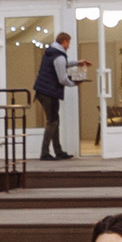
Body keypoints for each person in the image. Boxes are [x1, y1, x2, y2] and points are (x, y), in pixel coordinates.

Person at [33, 30, 74, 161]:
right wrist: (74, 83)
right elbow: (62, 78)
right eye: (68, 43)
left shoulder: (52, 53)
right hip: (49, 93)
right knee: (52, 121)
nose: (69, 46)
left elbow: (62, 65)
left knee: (54, 120)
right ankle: (45, 153)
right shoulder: (59, 56)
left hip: (42, 91)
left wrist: (78, 62)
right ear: (64, 42)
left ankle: (58, 151)